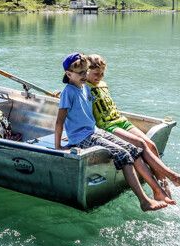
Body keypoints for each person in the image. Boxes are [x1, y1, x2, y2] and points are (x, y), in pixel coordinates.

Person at [54, 53, 170, 211]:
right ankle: (144, 200)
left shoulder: (85, 89)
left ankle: (157, 191)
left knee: (133, 150)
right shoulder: (68, 92)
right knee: (123, 155)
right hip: (82, 137)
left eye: (86, 71)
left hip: (94, 132)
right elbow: (59, 121)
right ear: (69, 74)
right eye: (80, 73)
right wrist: (58, 146)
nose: (84, 75)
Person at [86, 54, 180, 189]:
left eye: (102, 73)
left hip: (120, 120)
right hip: (107, 126)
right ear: (86, 71)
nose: (99, 76)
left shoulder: (103, 84)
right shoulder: (84, 87)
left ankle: (164, 186)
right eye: (96, 73)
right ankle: (173, 177)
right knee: (140, 144)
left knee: (151, 145)